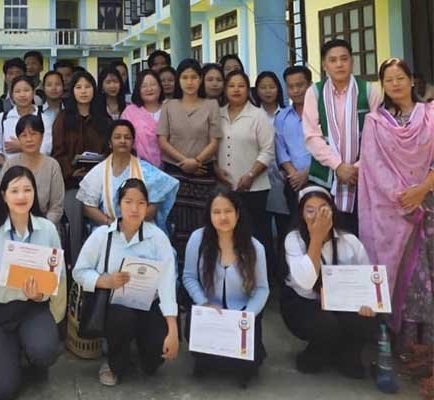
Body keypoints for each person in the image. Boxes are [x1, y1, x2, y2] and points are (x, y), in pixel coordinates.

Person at [358, 58, 434, 355]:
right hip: (395, 210)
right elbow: (373, 165)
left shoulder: (429, 115)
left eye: (400, 77)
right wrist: (402, 196)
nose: (395, 84)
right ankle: (406, 347)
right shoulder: (376, 122)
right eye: (388, 80)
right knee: (406, 274)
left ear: (411, 80)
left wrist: (423, 189)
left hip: (428, 204)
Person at [73, 178, 179, 386]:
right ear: (118, 204)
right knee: (122, 318)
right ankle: (112, 359)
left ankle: (140, 346)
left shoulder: (157, 238)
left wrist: (173, 330)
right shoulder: (102, 236)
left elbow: (168, 284)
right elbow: (79, 272)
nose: (134, 208)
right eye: (128, 201)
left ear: (147, 207)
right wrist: (105, 280)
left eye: (141, 203)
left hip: (149, 305)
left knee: (152, 365)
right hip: (114, 308)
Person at [0, 166, 62, 400]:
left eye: (27, 190)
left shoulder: (47, 229)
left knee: (46, 351)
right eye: (15, 190)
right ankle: (1, 355)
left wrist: (39, 295)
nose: (21, 196)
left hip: (31, 308)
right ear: (4, 196)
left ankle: (26, 352)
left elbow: (54, 279)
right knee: (2, 390)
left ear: (34, 194)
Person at [281, 187, 377, 378]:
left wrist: (369, 303)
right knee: (325, 323)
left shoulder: (349, 240)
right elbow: (306, 282)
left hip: (344, 302)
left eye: (324, 208)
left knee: (368, 318)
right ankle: (316, 353)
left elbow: (368, 279)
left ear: (333, 210)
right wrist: (316, 238)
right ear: (301, 213)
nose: (317, 215)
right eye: (310, 210)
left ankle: (348, 355)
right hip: (304, 303)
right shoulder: (294, 240)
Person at [182, 190, 269, 387]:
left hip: (241, 314)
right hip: (209, 311)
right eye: (216, 212)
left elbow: (262, 289)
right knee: (205, 362)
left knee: (245, 367)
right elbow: (188, 277)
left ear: (237, 214)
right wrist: (203, 303)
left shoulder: (255, 247)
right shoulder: (198, 239)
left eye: (228, 211)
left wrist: (247, 315)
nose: (222, 217)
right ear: (209, 215)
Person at [302, 39, 382, 234]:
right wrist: (338, 166)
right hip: (325, 176)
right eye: (333, 60)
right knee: (327, 234)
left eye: (344, 59)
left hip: (362, 176)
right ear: (324, 64)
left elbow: (379, 138)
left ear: (352, 61)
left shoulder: (369, 90)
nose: (339, 64)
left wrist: (355, 168)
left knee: (362, 233)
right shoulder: (314, 92)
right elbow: (311, 135)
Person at [157, 58, 222, 263]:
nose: (189, 82)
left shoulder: (211, 105)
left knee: (203, 225)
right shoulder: (169, 106)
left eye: (194, 77)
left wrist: (196, 161)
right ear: (178, 80)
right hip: (175, 174)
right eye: (185, 77)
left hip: (203, 173)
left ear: (200, 79)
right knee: (177, 225)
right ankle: (180, 276)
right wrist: (184, 162)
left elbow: (214, 140)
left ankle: (203, 271)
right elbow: (162, 140)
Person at [215, 70, 276, 281]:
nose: (236, 89)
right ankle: (232, 280)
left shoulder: (258, 115)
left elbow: (268, 151)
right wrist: (215, 169)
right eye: (231, 85)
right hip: (225, 189)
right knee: (228, 236)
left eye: (241, 85)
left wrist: (251, 174)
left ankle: (259, 281)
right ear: (225, 88)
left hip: (254, 189)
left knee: (256, 237)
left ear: (247, 88)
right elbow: (212, 146)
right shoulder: (218, 114)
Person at [78, 119, 178, 234]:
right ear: (110, 143)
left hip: (141, 227)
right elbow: (88, 207)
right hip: (108, 229)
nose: (122, 141)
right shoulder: (98, 172)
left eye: (127, 137)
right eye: (117, 137)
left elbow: (153, 207)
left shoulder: (146, 170)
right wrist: (111, 224)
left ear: (133, 142)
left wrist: (131, 224)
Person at [52, 71, 111, 264]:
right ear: (72, 92)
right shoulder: (63, 118)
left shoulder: (104, 119)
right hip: (72, 183)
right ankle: (77, 269)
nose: (83, 91)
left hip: (101, 182)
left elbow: (109, 151)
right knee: (75, 224)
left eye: (87, 87)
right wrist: (71, 171)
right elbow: (58, 152)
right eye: (78, 87)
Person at [0, 115, 64, 225]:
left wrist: (42, 228)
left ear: (42, 137)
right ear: (18, 139)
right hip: (13, 224)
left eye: (33, 134)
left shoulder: (52, 165)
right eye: (24, 135)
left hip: (45, 225)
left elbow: (56, 208)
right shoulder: (10, 164)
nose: (29, 139)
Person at [254, 71, 290, 271]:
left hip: (284, 177)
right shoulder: (253, 114)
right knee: (263, 228)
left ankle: (285, 269)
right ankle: (268, 271)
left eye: (272, 86)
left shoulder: (287, 114)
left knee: (285, 227)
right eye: (263, 87)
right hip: (259, 178)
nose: (268, 91)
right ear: (256, 90)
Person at [275, 66, 313, 246]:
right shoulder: (282, 117)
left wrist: (308, 172)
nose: (296, 90)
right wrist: (293, 174)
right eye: (291, 86)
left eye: (300, 85)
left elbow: (329, 146)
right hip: (293, 183)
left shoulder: (321, 114)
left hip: (320, 180)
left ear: (310, 85)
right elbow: (280, 148)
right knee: (296, 229)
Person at [0, 76, 53, 166]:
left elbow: (46, 149)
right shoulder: (2, 118)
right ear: (12, 95)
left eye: (26, 90)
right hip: (9, 173)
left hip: (37, 171)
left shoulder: (44, 119)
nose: (22, 95)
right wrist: (6, 165)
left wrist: (21, 146)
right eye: (17, 91)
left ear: (33, 92)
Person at [120, 70, 165, 168]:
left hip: (171, 166)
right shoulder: (129, 112)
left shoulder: (170, 108)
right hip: (137, 167)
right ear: (138, 90)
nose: (149, 89)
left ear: (160, 87)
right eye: (144, 86)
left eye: (153, 84)